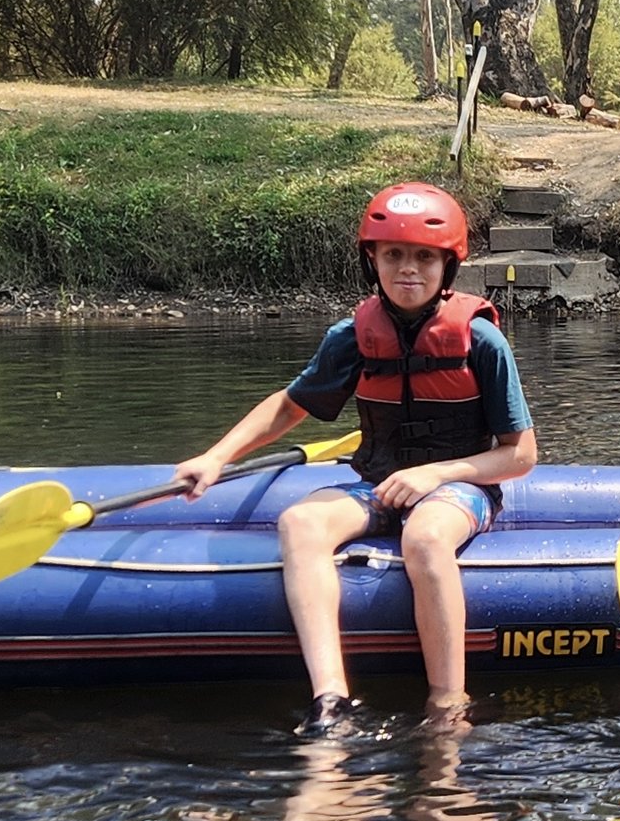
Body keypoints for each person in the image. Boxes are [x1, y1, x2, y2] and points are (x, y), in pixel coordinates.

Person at [173, 182, 536, 735]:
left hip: (460, 487)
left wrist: (435, 473)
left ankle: (448, 703)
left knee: (426, 535)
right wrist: (217, 457)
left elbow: (520, 455)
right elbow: (289, 407)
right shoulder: (353, 336)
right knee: (300, 521)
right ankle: (332, 701)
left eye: (422, 257)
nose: (407, 269)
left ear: (448, 265)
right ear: (373, 260)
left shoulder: (481, 341)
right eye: (393, 255)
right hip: (375, 482)